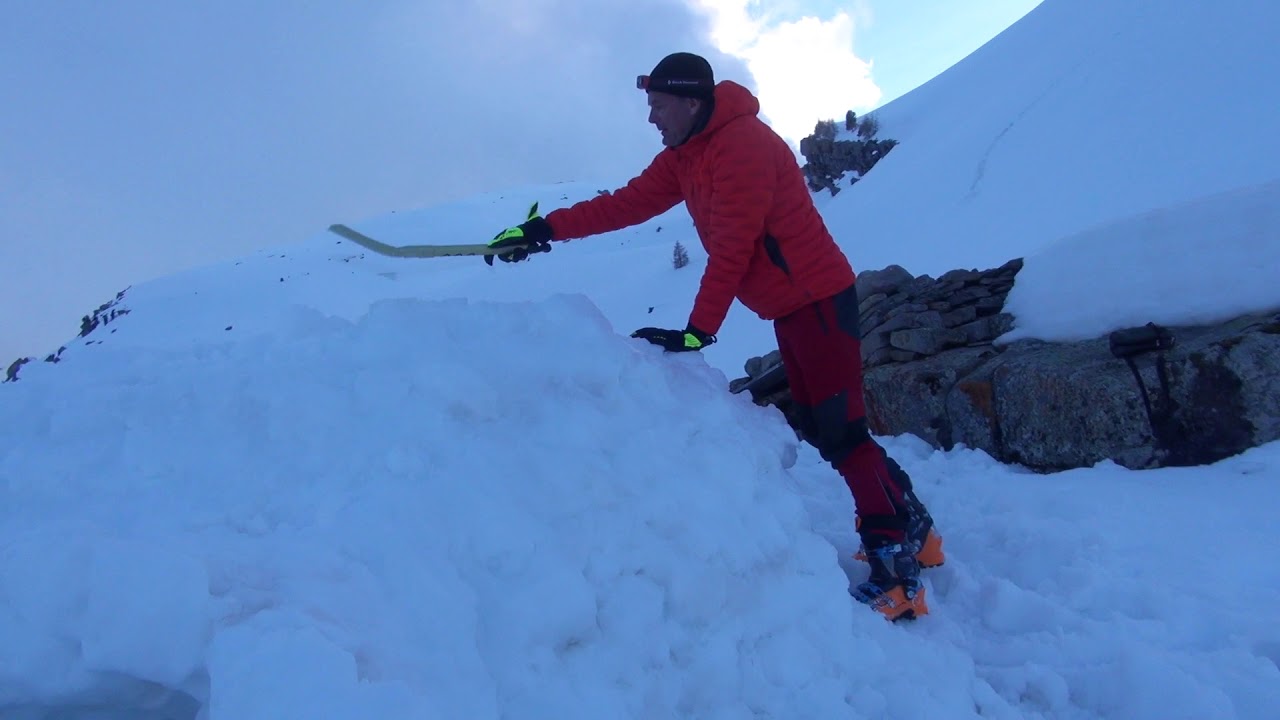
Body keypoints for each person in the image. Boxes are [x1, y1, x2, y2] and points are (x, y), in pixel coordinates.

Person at [484, 52, 944, 621]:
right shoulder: (686, 154)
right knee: (831, 430)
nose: (651, 118)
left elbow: (733, 250)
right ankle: (914, 527)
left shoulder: (742, 146)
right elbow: (624, 205)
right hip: (792, 307)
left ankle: (898, 570)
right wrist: (545, 229)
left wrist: (698, 334)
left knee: (843, 435)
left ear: (690, 101)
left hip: (819, 300)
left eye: (657, 106)